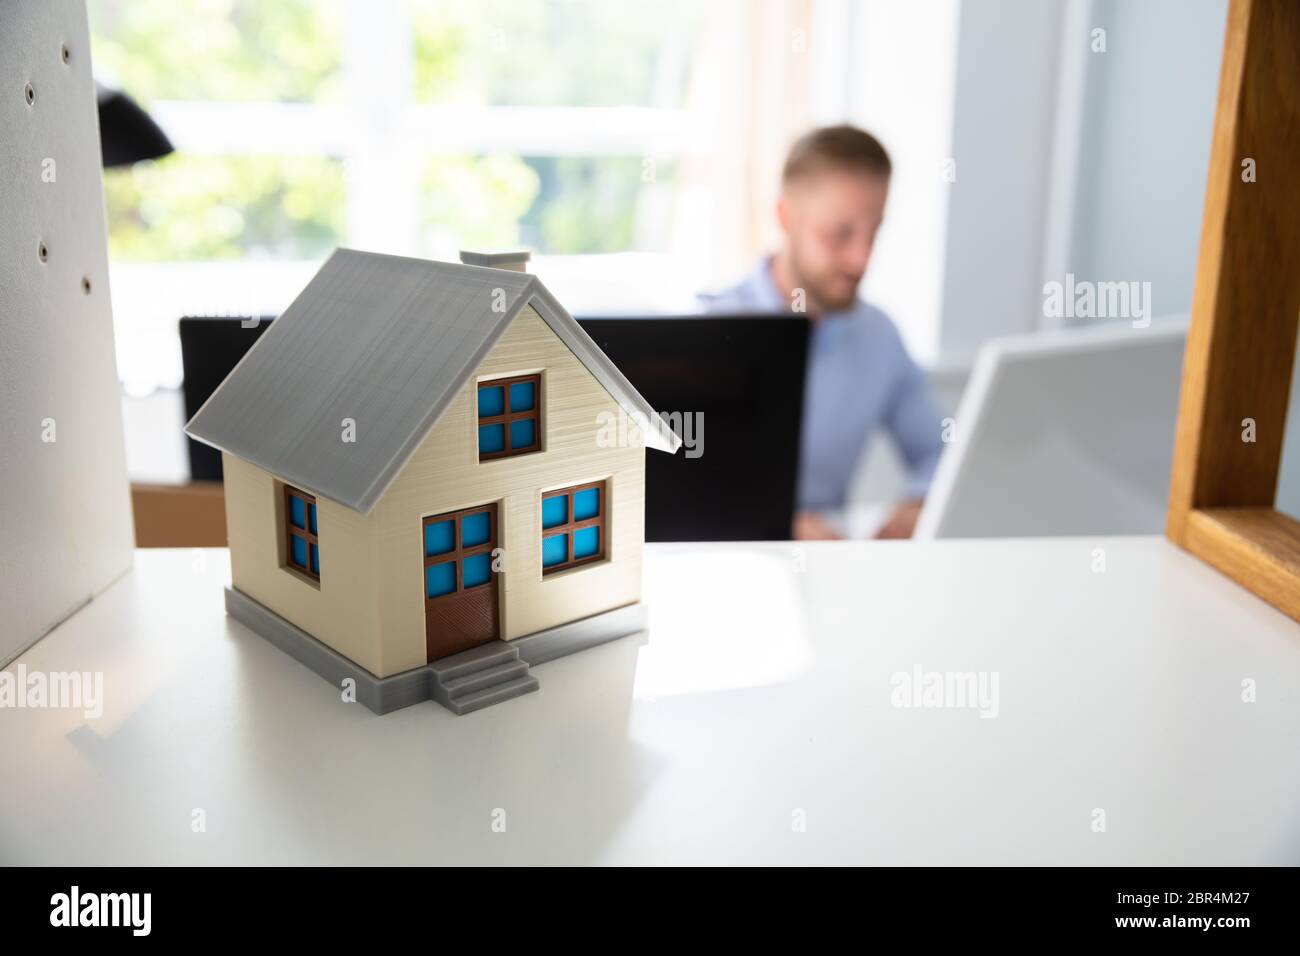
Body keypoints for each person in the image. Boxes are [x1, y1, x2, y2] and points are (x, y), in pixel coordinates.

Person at [700, 125, 944, 540]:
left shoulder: (878, 336)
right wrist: (777, 525)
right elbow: (672, 489)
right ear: (784, 217)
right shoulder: (709, 334)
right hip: (730, 570)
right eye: (840, 234)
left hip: (833, 574)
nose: (861, 259)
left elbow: (939, 453)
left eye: (874, 232)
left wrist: (918, 504)